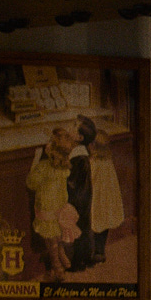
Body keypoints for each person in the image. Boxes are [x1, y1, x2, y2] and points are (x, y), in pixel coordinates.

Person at [25, 128, 73, 278]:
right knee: (57, 234)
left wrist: (34, 164)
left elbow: (31, 183)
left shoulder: (43, 167)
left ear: (51, 150)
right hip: (59, 207)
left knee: (50, 238)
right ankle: (61, 254)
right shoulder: (64, 167)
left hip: (46, 207)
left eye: (50, 143)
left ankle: (57, 265)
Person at [64, 116, 98, 271]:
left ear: (79, 138)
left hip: (79, 199)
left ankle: (79, 262)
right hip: (81, 196)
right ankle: (87, 258)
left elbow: (72, 182)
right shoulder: (78, 154)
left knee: (80, 229)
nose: (69, 127)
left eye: (73, 125)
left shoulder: (79, 158)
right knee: (83, 227)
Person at [88, 130, 124, 264]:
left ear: (93, 146)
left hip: (97, 199)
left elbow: (90, 181)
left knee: (94, 224)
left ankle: (95, 252)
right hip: (107, 199)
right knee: (103, 226)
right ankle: (100, 251)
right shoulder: (108, 161)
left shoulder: (93, 163)